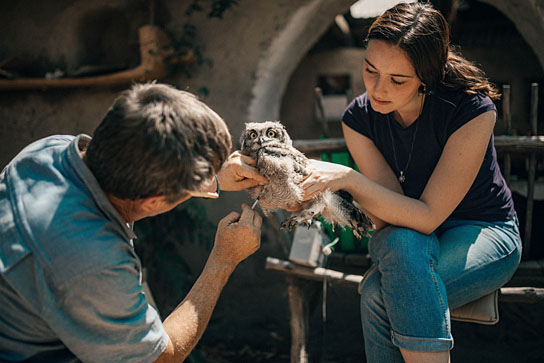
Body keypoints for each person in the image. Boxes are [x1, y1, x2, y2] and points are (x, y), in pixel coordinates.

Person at [300, 2, 522, 363]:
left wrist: (348, 178)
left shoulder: (471, 109)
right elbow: (390, 215)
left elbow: (428, 216)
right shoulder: (358, 119)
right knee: (400, 242)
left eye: (398, 80)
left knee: (378, 294)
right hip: (408, 235)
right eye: (370, 70)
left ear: (427, 77)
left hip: (483, 229)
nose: (378, 89)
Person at [0, 82, 268, 362]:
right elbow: (161, 358)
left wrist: (212, 176)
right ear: (153, 202)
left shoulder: (48, 151)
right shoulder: (92, 262)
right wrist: (223, 260)